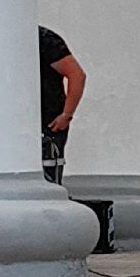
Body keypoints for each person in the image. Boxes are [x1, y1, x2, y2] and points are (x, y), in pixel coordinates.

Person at [38, 26, 86, 184]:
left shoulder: (45, 39)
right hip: (30, 119)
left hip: (50, 121)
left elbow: (77, 75)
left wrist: (66, 114)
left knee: (49, 170)